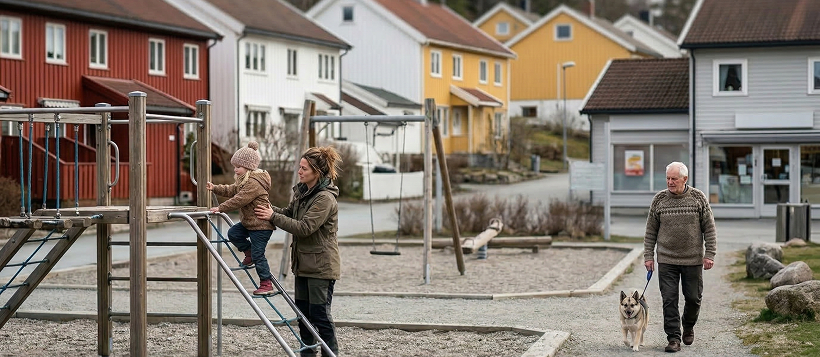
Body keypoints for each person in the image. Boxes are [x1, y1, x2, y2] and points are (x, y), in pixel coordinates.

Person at [254, 146, 341, 357]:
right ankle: (307, 355)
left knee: (320, 315)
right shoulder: (303, 192)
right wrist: (264, 205)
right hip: (302, 265)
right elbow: (287, 213)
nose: (299, 172)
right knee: (303, 316)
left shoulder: (324, 199)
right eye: (299, 167)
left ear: (316, 172)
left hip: (321, 267)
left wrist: (272, 217)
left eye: (304, 168)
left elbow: (304, 227)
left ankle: (332, 354)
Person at [644, 162, 717, 353]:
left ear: (685, 179)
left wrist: (709, 254)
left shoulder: (698, 198)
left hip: (692, 259)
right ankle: (673, 338)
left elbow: (709, 228)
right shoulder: (659, 200)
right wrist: (648, 256)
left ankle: (689, 325)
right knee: (669, 300)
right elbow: (650, 231)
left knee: (693, 298)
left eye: (673, 179)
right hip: (666, 259)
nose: (669, 182)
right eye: (667, 178)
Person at [206, 141, 276, 296]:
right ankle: (248, 251)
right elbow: (232, 190)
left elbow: (240, 199)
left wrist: (221, 208)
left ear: (249, 167)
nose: (235, 170)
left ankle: (266, 283)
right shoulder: (243, 180)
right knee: (233, 234)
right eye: (234, 166)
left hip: (262, 225)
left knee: (259, 254)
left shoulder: (254, 183)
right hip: (249, 223)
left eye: (238, 167)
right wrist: (215, 188)